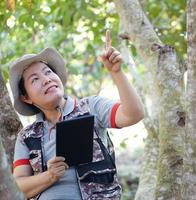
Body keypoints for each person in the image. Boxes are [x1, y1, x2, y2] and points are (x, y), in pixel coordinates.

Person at [10, 30, 144, 200]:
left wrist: (116, 73)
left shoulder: (91, 107)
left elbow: (134, 114)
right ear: (26, 97)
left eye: (48, 72)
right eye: (35, 79)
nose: (46, 79)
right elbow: (17, 188)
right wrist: (50, 176)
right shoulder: (27, 136)